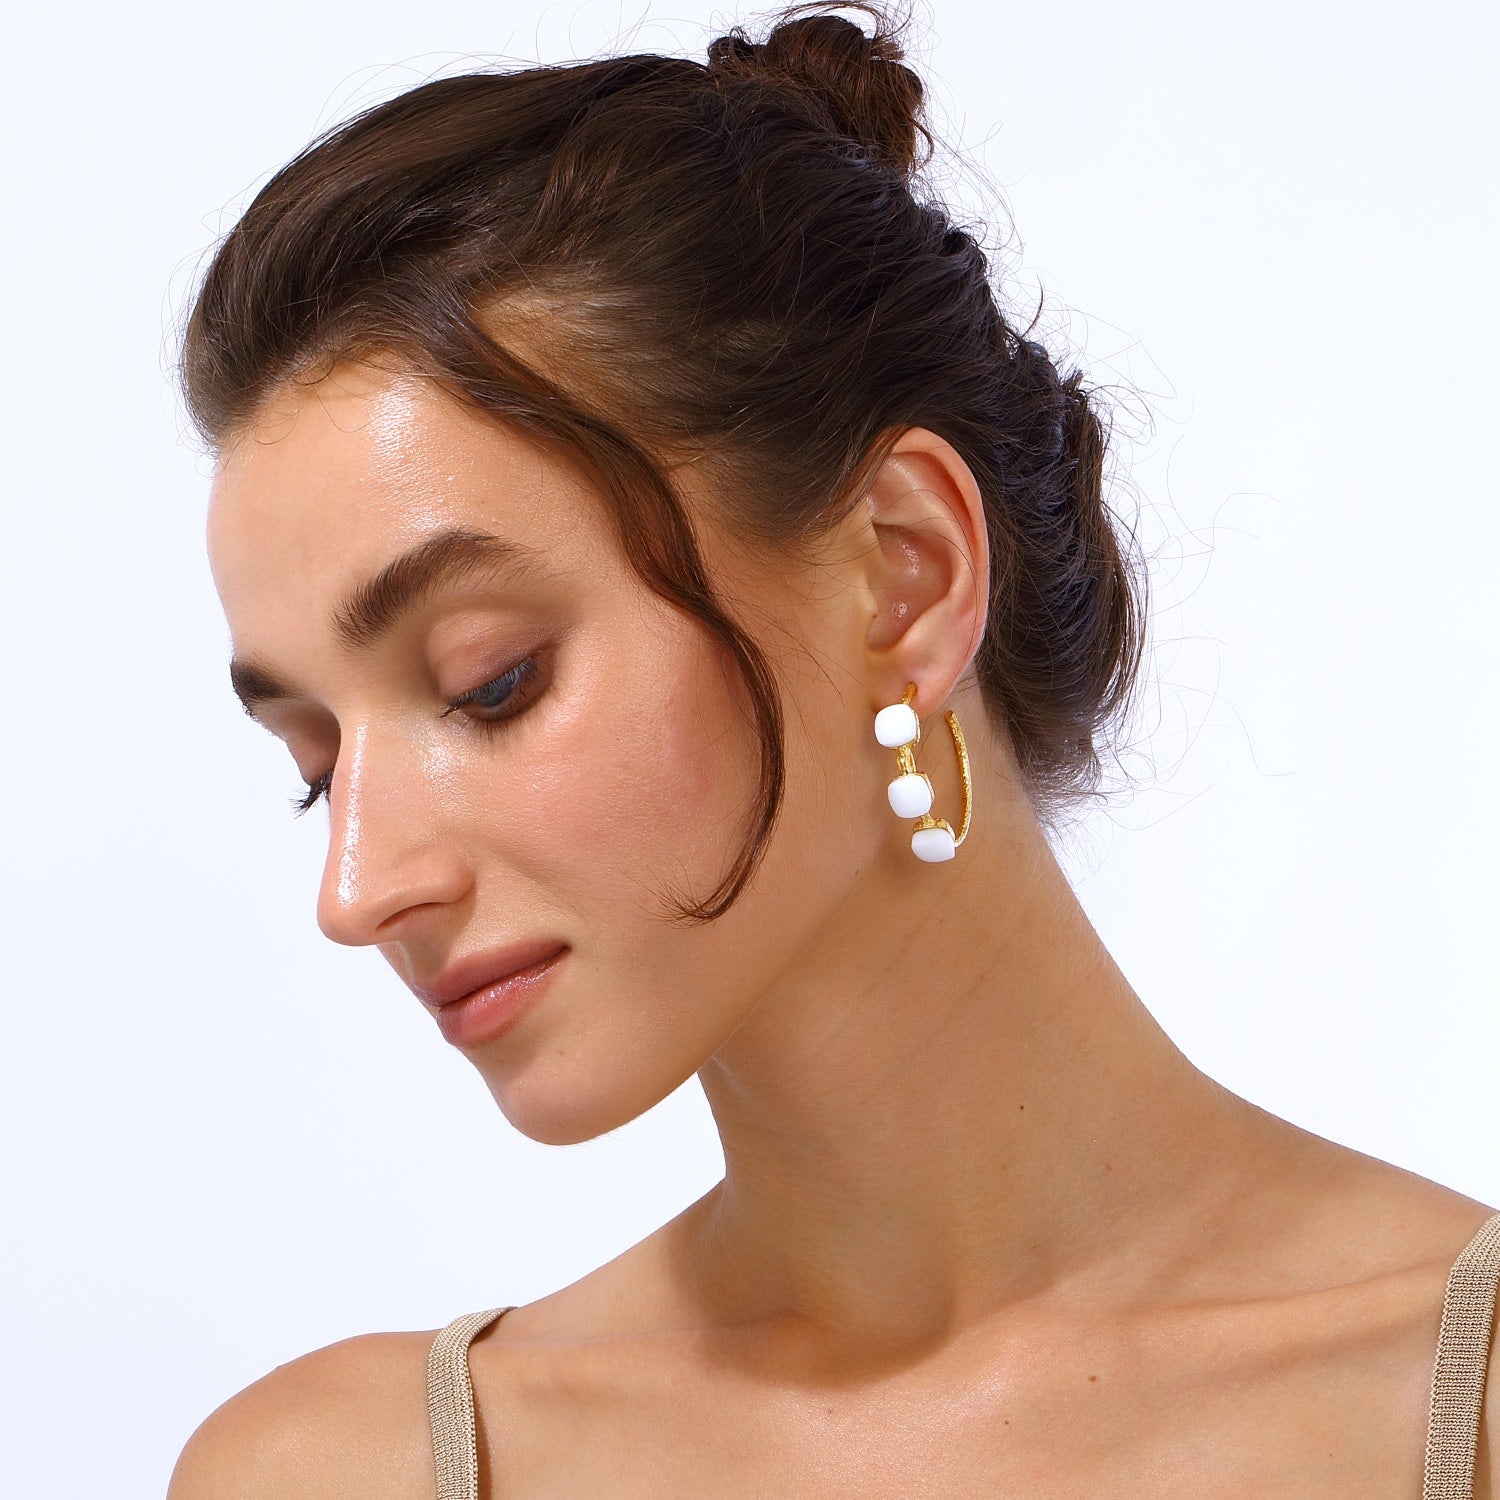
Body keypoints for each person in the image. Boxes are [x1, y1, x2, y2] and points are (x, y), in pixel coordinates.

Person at [166, 5, 1498, 1495]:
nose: (357, 890)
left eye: (493, 684)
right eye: (315, 767)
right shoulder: (350, 1470)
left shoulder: (1454, 1404)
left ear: (904, 577)